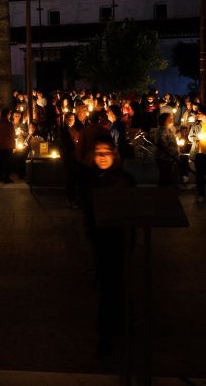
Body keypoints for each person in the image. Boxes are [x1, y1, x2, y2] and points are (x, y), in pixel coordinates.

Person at [84, 136, 136, 358]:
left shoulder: (123, 179)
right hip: (99, 238)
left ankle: (112, 331)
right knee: (109, 286)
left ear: (115, 155)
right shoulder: (90, 179)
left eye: (107, 152)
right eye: (98, 152)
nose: (103, 157)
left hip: (118, 238)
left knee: (114, 285)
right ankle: (111, 331)